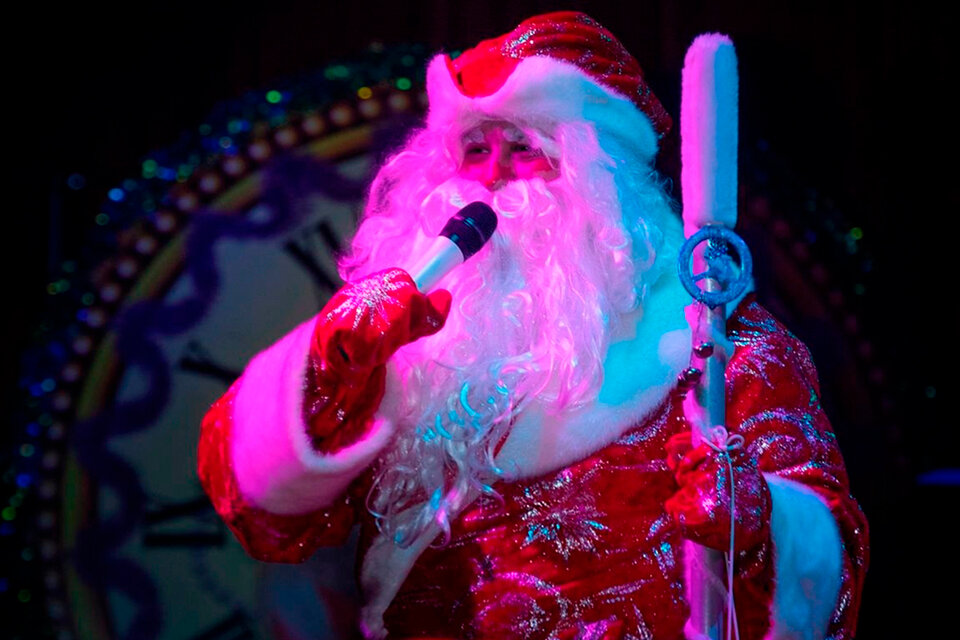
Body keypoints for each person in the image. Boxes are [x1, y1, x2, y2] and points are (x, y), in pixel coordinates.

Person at [198, 11, 868, 640]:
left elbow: (833, 582)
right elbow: (260, 517)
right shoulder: (396, 346)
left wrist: (756, 519)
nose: (490, 178)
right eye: (474, 148)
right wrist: (326, 365)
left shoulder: (720, 349)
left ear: (601, 179)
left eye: (523, 148)